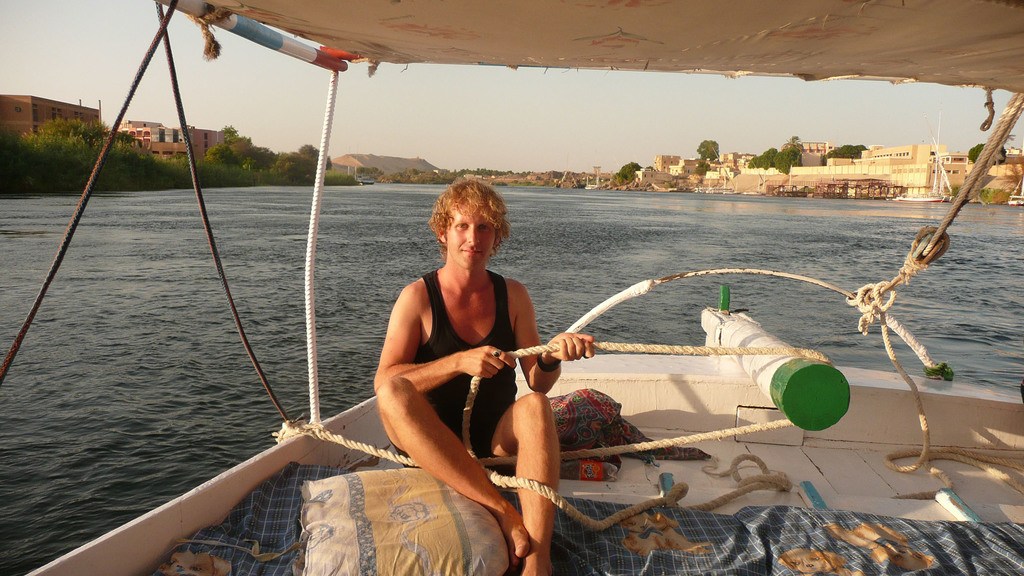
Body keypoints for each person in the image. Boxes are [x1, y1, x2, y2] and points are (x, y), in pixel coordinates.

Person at [374, 179, 594, 575]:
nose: (473, 238)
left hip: (492, 441)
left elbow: (538, 381)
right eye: (462, 226)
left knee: (536, 406)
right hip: (431, 446)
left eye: (484, 228)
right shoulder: (418, 298)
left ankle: (537, 560)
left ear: (497, 236)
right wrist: (458, 362)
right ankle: (504, 511)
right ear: (443, 232)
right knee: (392, 393)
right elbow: (386, 382)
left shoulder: (514, 296)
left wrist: (552, 356)